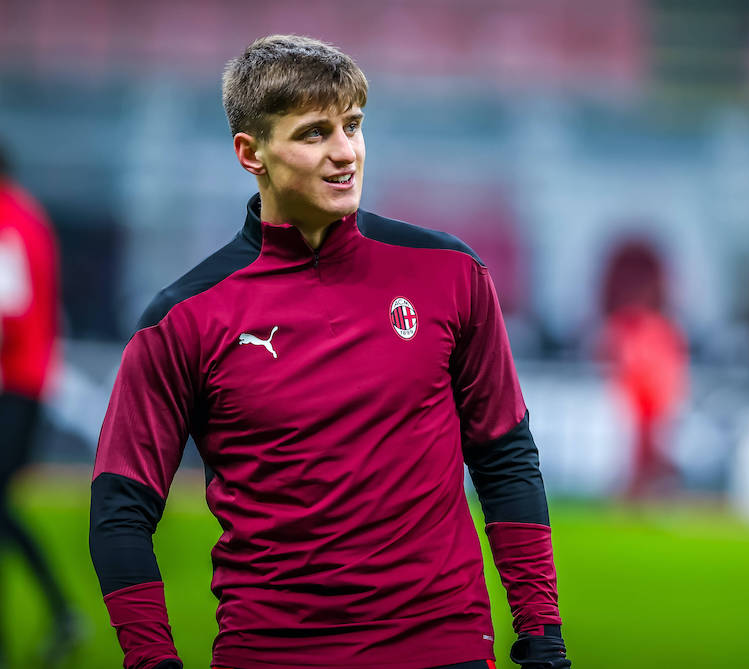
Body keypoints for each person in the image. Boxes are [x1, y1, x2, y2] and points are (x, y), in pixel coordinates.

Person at [89, 35, 570, 669]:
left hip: (443, 649)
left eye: (353, 125)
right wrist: (152, 660)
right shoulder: (183, 319)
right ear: (250, 153)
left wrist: (542, 636)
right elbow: (121, 508)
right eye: (315, 133)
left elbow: (505, 457)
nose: (345, 153)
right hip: (271, 655)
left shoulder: (450, 273)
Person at [0, 143, 77, 666]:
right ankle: (60, 612)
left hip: (12, 384)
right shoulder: (27, 216)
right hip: (26, 382)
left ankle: (59, 613)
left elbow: (8, 310)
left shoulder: (8, 220)